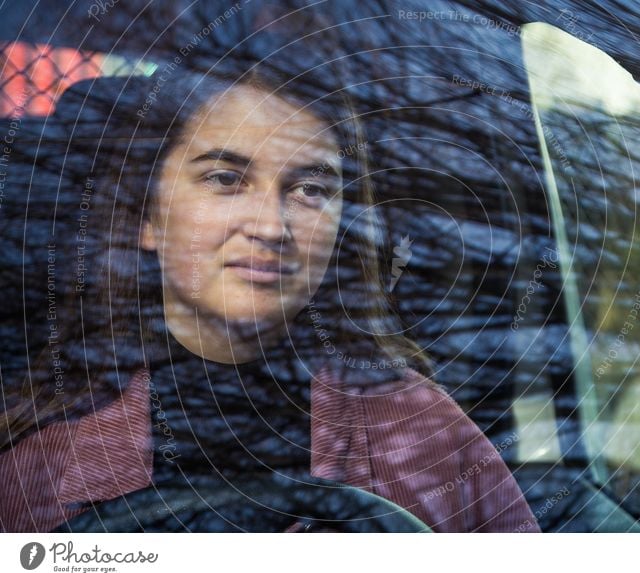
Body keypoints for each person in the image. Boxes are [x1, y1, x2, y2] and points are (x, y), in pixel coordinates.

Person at [0, 42, 539, 533]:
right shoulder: (41, 459)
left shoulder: (422, 432)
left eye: (310, 189)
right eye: (225, 179)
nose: (270, 226)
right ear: (148, 217)